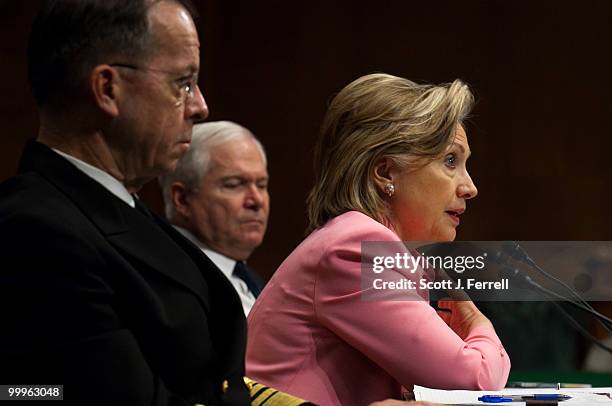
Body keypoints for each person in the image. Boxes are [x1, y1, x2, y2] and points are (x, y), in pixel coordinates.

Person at [0, 1, 250, 404]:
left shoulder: (117, 208)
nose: (201, 105)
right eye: (183, 83)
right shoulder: (36, 233)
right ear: (107, 89)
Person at [246, 74, 511, 406]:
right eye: (450, 161)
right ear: (386, 173)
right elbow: (474, 378)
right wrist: (476, 322)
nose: (470, 187)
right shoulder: (355, 249)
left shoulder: (360, 244)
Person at [160, 121, 269, 315]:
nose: (257, 200)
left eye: (261, 185)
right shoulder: (165, 281)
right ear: (183, 200)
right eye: (235, 184)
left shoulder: (254, 283)